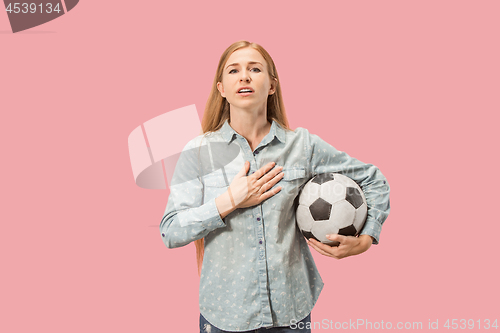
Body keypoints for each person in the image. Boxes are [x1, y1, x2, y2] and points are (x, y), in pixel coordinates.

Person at [160, 40, 391, 333]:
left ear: (271, 85)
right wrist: (229, 201)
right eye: (233, 70)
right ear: (221, 89)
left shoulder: (302, 146)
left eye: (254, 69)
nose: (244, 76)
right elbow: (170, 230)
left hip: (291, 310)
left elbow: (373, 178)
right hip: (225, 316)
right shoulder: (199, 151)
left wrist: (366, 239)